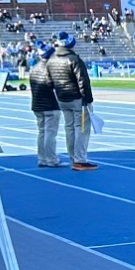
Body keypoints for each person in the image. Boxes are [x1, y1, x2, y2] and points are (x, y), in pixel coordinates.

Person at [44, 34, 97, 171]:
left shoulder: (51, 60)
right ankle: (80, 159)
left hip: (62, 98)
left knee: (69, 128)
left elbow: (49, 82)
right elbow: (83, 81)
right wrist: (88, 99)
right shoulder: (74, 59)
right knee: (82, 128)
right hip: (77, 98)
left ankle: (73, 157)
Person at [29, 46, 62, 168]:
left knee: (42, 132)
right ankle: (51, 159)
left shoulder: (34, 68)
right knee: (50, 134)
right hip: (50, 105)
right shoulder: (51, 69)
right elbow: (55, 87)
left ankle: (42, 158)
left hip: (37, 104)